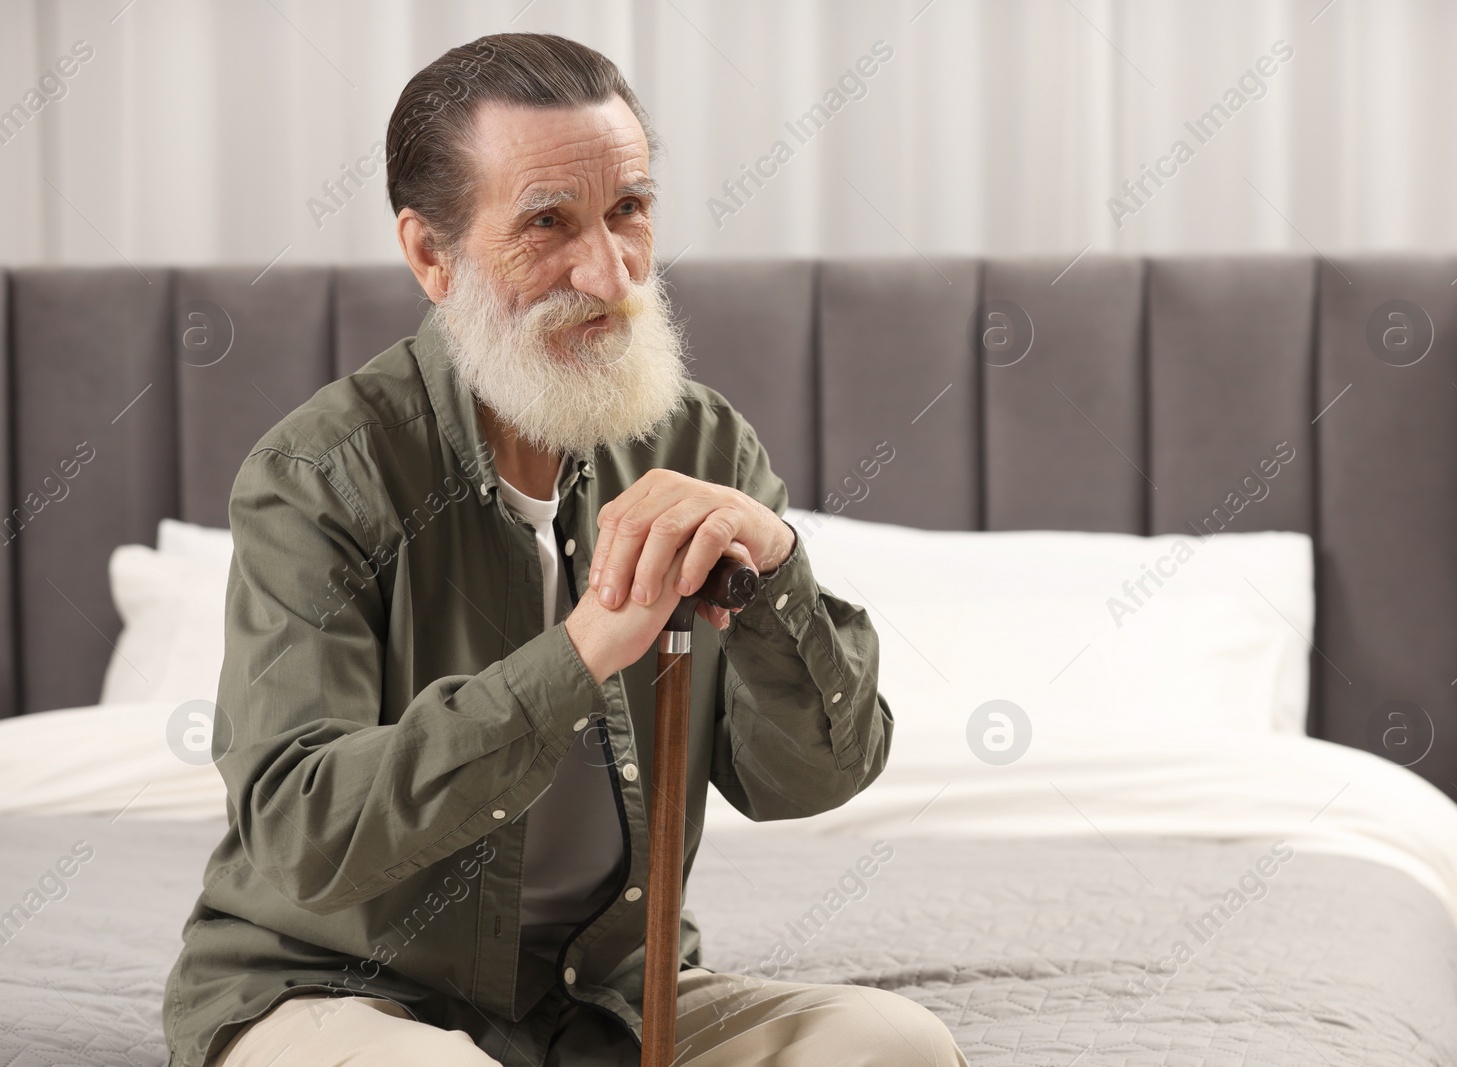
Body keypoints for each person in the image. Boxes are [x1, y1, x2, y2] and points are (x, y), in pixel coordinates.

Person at [160, 31, 969, 1067]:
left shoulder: (701, 444)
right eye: (548, 222)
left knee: (892, 1043)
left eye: (628, 209)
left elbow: (811, 778)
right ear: (429, 255)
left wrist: (775, 570)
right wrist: (580, 653)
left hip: (607, 1003)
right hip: (345, 990)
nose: (610, 271)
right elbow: (303, 834)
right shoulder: (315, 476)